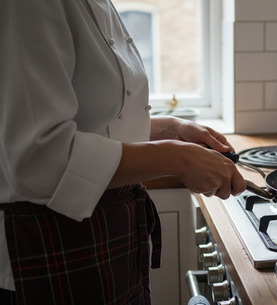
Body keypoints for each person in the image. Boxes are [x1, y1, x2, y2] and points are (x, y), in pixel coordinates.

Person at [0, 0, 246, 304]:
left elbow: (97, 121)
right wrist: (178, 158)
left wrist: (170, 129)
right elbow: (37, 159)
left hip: (107, 232)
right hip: (51, 242)